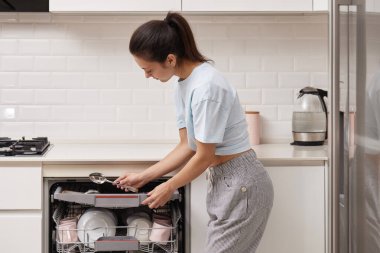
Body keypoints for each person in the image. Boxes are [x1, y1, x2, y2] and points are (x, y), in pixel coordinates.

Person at [114, 12, 274, 253]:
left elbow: (204, 155)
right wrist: (145, 176)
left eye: (148, 69)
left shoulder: (206, 88)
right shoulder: (183, 84)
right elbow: (187, 145)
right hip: (225, 181)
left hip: (243, 184)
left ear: (169, 59)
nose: (147, 76)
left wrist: (169, 186)